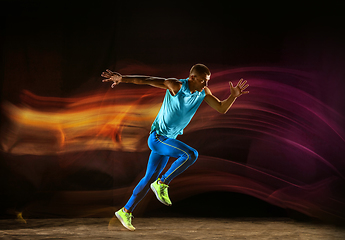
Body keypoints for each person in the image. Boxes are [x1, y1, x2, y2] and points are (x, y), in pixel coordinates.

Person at [101, 64, 249, 231]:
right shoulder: (176, 85)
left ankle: (125, 211)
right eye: (202, 81)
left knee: (148, 178)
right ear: (192, 77)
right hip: (157, 138)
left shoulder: (203, 93)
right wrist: (122, 78)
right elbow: (147, 80)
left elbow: (221, 108)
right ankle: (162, 183)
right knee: (190, 154)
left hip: (167, 141)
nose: (205, 85)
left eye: (207, 81)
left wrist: (233, 96)